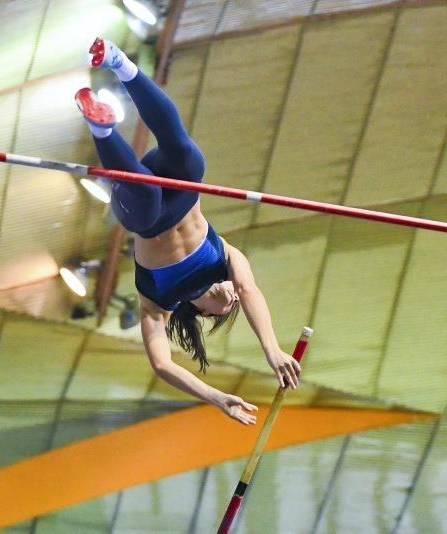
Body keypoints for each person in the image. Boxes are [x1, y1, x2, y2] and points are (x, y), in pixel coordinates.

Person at [75, 38, 301, 426]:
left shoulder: (158, 304)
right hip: (178, 187)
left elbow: (162, 365)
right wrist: (273, 350)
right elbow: (249, 291)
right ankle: (119, 62)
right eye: (232, 307)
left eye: (223, 312)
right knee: (189, 156)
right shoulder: (227, 259)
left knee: (144, 195)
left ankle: (101, 129)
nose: (230, 302)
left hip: (142, 212)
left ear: (198, 310)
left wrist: (216, 398)